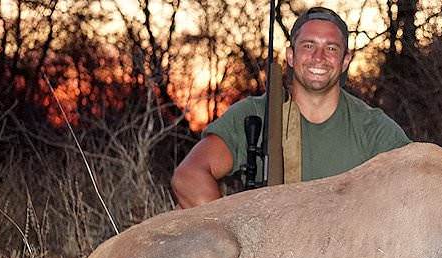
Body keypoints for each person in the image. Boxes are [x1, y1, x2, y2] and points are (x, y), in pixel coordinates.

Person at [172, 6, 411, 209]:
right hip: (270, 256)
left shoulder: (374, 129)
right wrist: (240, 241)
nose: (319, 57)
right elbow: (188, 177)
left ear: (345, 60)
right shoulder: (254, 114)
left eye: (331, 48)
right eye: (308, 46)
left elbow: (415, 187)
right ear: (290, 56)